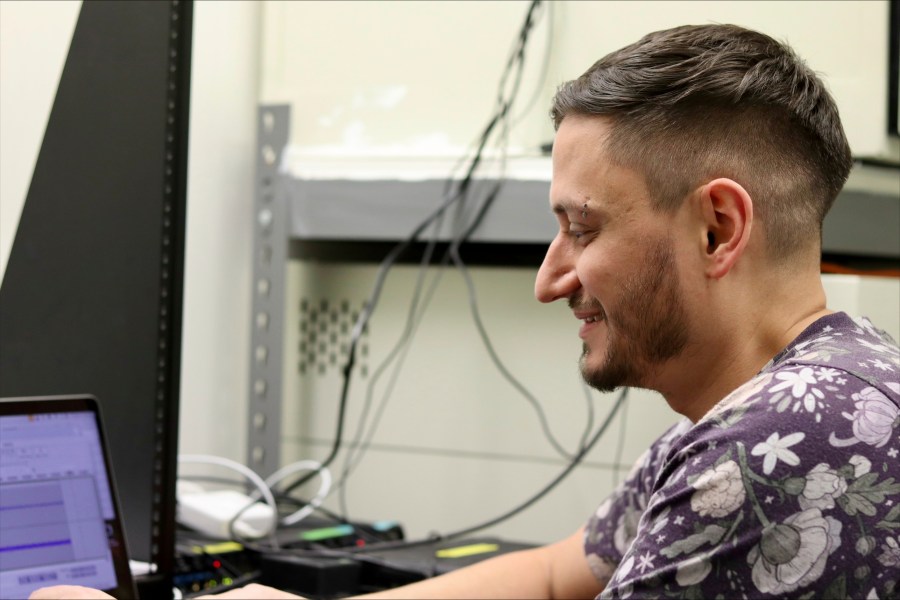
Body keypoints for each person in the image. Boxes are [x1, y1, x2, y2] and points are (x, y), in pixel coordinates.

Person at [32, 22, 899, 600]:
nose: (550, 278)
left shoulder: (766, 456)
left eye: (580, 227)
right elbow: (563, 573)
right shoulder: (817, 392)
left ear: (717, 228)